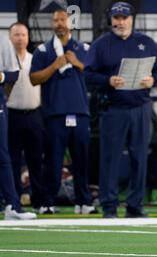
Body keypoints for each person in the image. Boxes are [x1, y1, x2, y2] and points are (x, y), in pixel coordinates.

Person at [84, 2, 157, 218]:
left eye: (124, 17)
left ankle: (135, 205)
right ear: (111, 20)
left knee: (140, 157)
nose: (120, 22)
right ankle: (109, 206)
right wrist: (108, 80)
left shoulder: (146, 42)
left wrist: (153, 80)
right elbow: (88, 75)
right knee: (110, 158)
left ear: (132, 19)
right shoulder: (101, 44)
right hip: (113, 109)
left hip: (141, 108)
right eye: (116, 18)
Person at [30, 9, 96, 215]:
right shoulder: (43, 50)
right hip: (54, 114)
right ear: (52, 24)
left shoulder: (83, 48)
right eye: (55, 20)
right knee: (53, 160)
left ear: (70, 22)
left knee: (81, 160)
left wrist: (77, 63)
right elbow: (33, 79)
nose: (59, 23)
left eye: (62, 19)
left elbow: (94, 76)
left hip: (80, 112)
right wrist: (54, 66)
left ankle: (83, 201)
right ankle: (47, 201)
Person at [7, 22, 45, 211]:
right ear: (10, 38)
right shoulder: (5, 62)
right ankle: (13, 200)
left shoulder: (35, 60)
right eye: (16, 35)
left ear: (28, 37)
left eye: (23, 35)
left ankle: (38, 200)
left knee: (35, 160)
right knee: (12, 160)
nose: (20, 38)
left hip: (34, 114)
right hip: (12, 114)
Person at [0, 32, 36, 220]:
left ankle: (11, 206)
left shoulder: (2, 40)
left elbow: (13, 73)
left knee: (3, 156)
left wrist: (0, 76)